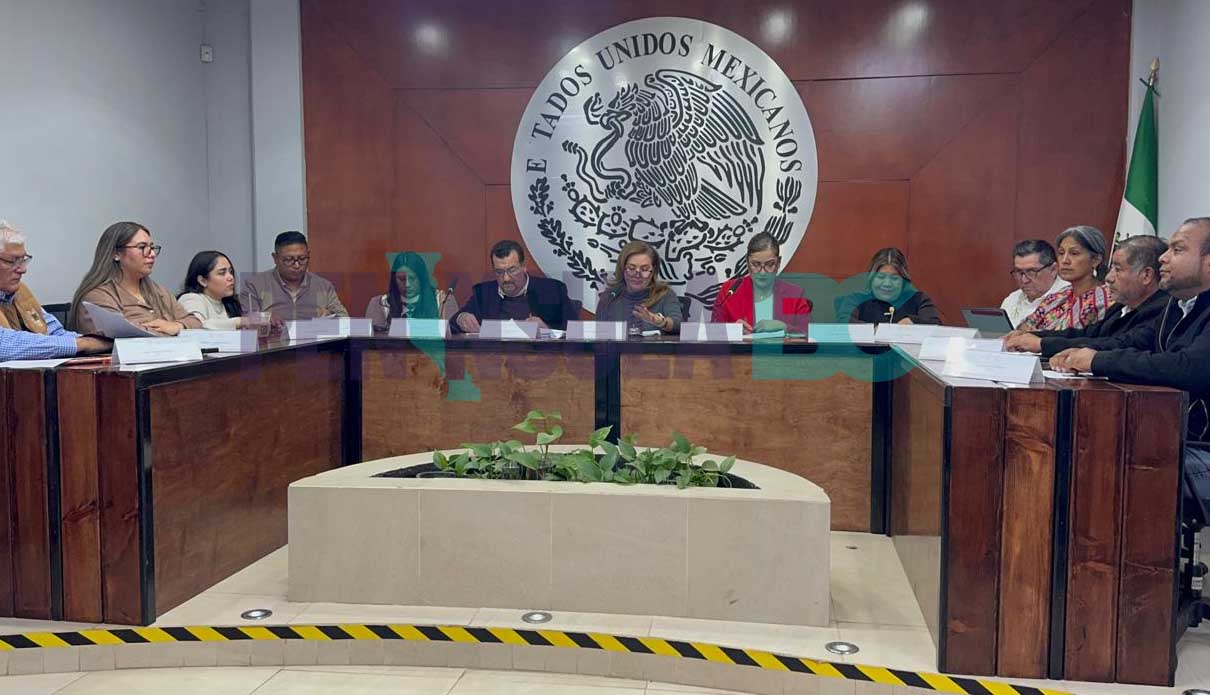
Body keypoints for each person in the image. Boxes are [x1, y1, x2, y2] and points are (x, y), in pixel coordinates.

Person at [1050, 217, 1210, 509]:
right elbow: (1127, 343)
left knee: (1101, 462)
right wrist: (1080, 355)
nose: (1163, 258)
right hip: (1172, 435)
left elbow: (1188, 368)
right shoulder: (1177, 305)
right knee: (1076, 446)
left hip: (1200, 447)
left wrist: (1097, 360)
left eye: (1177, 250)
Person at [1005, 236, 1169, 356]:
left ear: (1146, 275)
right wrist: (1035, 336)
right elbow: (1088, 333)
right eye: (1111, 269)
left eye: (1118, 270)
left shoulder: (1161, 310)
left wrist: (1042, 344)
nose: (1109, 278)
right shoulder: (1120, 307)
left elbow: (1116, 344)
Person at [67, 221, 203, 336]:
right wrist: (174, 331)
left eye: (152, 247)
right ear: (116, 253)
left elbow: (196, 323)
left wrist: (177, 326)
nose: (151, 254)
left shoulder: (158, 291)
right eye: (142, 247)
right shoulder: (97, 296)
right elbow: (124, 337)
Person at [0, 220, 109, 360]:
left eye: (23, 260)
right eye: (12, 261)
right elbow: (3, 344)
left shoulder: (20, 292)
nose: (23, 269)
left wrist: (101, 340)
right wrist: (82, 344)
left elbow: (56, 334)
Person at [450, 240, 578, 333]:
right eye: (499, 272)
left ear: (524, 267)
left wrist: (547, 332)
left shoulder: (553, 291)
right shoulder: (483, 293)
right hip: (494, 359)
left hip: (540, 359)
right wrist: (461, 318)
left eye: (512, 270)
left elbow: (575, 333)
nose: (506, 278)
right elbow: (453, 324)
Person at [1016, 226, 1112, 331]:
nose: (1064, 260)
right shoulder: (1058, 297)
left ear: (1096, 260)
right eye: (1061, 253)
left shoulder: (1105, 300)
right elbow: (1022, 328)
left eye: (1074, 253)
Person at [711, 232, 811, 334]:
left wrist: (785, 328)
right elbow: (712, 333)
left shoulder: (794, 295)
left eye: (769, 264)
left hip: (780, 345)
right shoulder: (729, 291)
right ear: (747, 263)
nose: (762, 272)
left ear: (778, 263)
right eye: (756, 264)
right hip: (740, 345)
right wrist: (733, 330)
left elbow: (807, 335)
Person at [240, 231, 348, 321]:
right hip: (274, 340)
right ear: (275, 258)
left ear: (308, 255)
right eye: (288, 260)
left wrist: (332, 317)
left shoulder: (323, 286)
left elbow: (344, 320)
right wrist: (265, 318)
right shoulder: (255, 285)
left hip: (313, 340)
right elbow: (245, 320)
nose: (297, 265)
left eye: (302, 259)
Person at [595, 239, 685, 334]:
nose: (637, 275)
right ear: (622, 269)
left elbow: (678, 325)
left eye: (644, 269)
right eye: (631, 268)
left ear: (653, 271)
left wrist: (660, 322)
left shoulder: (665, 295)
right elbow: (598, 334)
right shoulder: (610, 297)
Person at [838, 247, 941, 325]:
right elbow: (844, 324)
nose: (887, 284)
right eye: (881, 277)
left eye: (894, 278)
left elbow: (935, 326)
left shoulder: (919, 300)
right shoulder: (855, 300)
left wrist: (914, 321)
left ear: (904, 281)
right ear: (871, 278)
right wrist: (876, 330)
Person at [366, 251, 458, 332]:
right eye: (401, 279)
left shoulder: (444, 301)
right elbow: (373, 341)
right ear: (394, 279)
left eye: (412, 278)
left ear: (422, 278)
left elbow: (452, 338)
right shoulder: (379, 303)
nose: (407, 284)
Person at [178, 251, 261, 330]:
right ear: (203, 281)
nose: (230, 277)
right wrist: (240, 321)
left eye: (231, 272)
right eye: (222, 273)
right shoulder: (191, 298)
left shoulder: (230, 302)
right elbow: (196, 325)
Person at [1001, 239, 1070, 328]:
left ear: (1053, 269)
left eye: (1031, 272)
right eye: (1019, 272)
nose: (1024, 280)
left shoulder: (1070, 298)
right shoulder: (1012, 299)